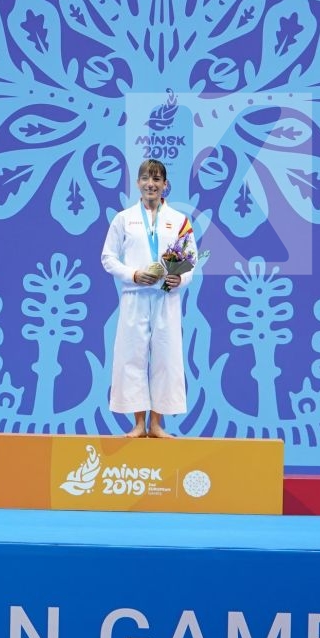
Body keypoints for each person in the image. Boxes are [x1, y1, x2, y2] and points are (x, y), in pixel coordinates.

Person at [101, 159, 197, 436]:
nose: (150, 184)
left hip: (166, 298)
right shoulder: (124, 218)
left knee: (166, 359)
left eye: (156, 179)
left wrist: (181, 278)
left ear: (165, 185)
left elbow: (190, 260)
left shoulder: (179, 220)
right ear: (138, 183)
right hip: (134, 296)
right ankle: (138, 424)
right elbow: (107, 258)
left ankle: (156, 424)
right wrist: (133, 274)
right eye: (145, 178)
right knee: (132, 357)